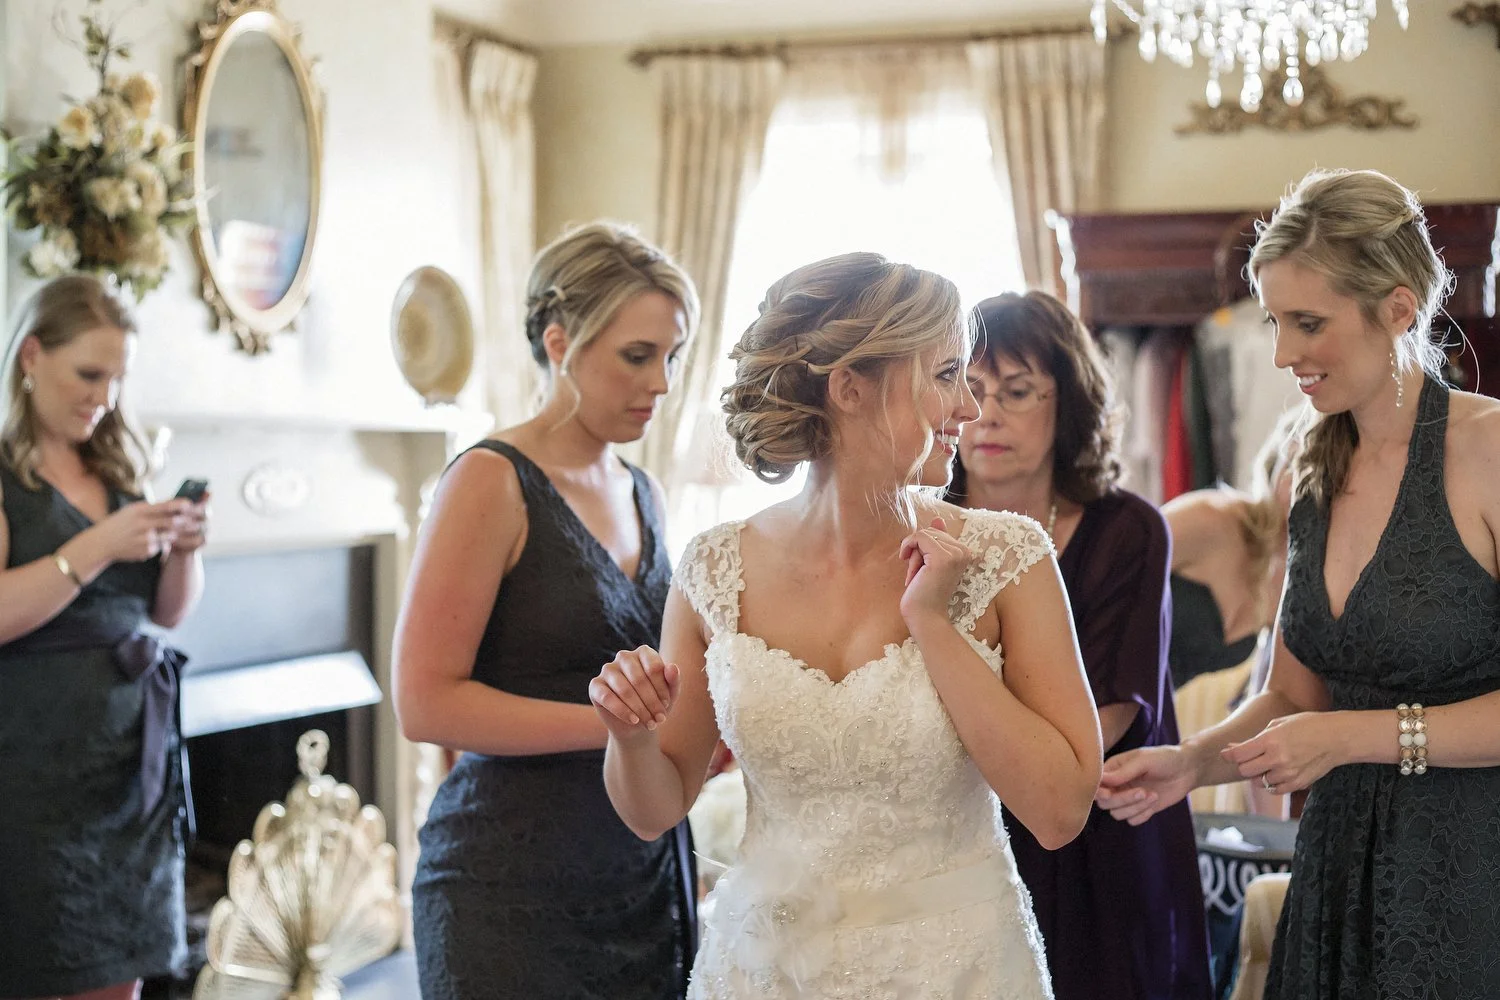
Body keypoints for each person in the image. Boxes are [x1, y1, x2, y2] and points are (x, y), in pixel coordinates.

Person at [592, 252, 1104, 998]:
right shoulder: (711, 570)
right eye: (945, 375)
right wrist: (629, 733)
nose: (970, 406)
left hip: (956, 970)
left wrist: (933, 625)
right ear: (851, 388)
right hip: (763, 974)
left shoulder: (1007, 558)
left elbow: (1059, 811)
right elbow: (655, 808)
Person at [1097, 168, 1500, 999]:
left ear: (1398, 305)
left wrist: (1355, 738)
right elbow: (1295, 691)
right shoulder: (1312, 472)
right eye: (1276, 323)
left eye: (1308, 323)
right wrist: (1193, 763)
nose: (1283, 355)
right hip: (1337, 870)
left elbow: (1334, 727)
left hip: (1474, 875)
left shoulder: (1491, 454)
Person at [394, 221, 701, 999]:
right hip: (507, 887)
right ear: (560, 343)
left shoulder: (646, 493)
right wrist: (615, 726)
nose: (661, 383)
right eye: (638, 355)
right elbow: (423, 702)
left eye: (671, 356)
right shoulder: (490, 481)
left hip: (641, 879)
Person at [948, 290, 1211, 1000]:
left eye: (1017, 390)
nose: (988, 414)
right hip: (956, 827)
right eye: (969, 390)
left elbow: (1110, 711)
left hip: (1096, 833)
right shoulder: (923, 524)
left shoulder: (1128, 529)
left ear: (1067, 401)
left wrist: (1017, 760)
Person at [0, 275, 207, 1000]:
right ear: (30, 356)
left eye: (117, 379)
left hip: (131, 772)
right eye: (89, 374)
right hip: (32, 776)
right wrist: (96, 546)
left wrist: (183, 547)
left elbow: (168, 614)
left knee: (122, 982)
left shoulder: (118, 466)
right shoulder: (4, 476)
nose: (105, 397)